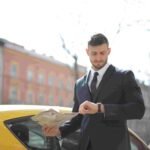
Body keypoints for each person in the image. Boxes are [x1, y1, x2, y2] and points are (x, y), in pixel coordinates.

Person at [43, 33, 145, 150]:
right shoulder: (79, 84)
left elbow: (138, 109)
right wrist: (59, 131)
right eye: (94, 53)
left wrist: (100, 108)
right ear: (87, 52)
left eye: (102, 53)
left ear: (109, 51)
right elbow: (77, 118)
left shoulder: (124, 76)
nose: (98, 58)